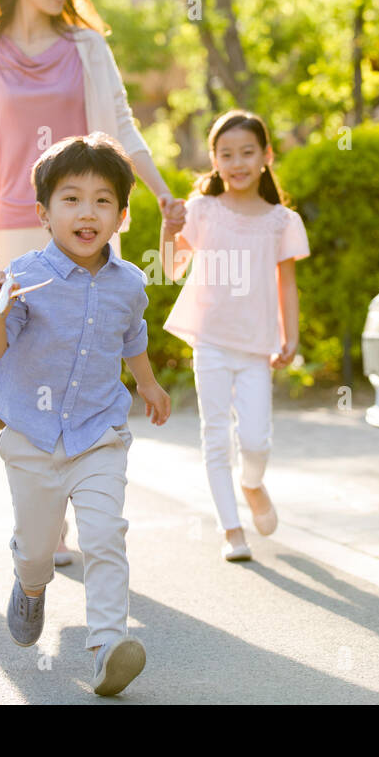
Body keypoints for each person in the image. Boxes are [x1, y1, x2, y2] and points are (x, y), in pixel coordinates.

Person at [0, 0, 184, 565]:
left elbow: (123, 129)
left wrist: (160, 192)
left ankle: (72, 518)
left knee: (84, 364)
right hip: (9, 231)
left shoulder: (86, 48)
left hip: (82, 227)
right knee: (23, 373)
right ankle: (39, 516)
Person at [0, 133, 170, 696]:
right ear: (44, 212)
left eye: (103, 200)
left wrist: (150, 385)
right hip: (31, 437)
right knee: (37, 550)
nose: (88, 212)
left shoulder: (130, 282)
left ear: (122, 215)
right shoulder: (23, 276)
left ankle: (109, 644)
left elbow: (131, 337)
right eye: (71, 198)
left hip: (97, 434)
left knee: (106, 535)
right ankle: (29, 587)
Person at [160, 110, 309, 562]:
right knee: (215, 435)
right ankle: (232, 530)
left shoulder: (281, 220)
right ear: (214, 159)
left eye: (247, 152)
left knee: (256, 441)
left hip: (256, 344)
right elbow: (171, 268)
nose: (238, 162)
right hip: (210, 339)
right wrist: (169, 230)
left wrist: (292, 336)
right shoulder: (203, 211)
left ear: (266, 156)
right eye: (226, 154)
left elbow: (286, 283)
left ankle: (252, 483)